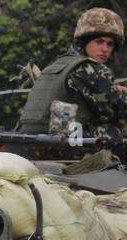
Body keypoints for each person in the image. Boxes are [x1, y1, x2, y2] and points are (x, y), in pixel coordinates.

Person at [15, 9, 127, 156]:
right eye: (99, 42)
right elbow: (119, 109)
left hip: (27, 143)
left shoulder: (57, 64)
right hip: (60, 146)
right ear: (85, 41)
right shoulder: (90, 68)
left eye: (110, 44)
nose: (105, 49)